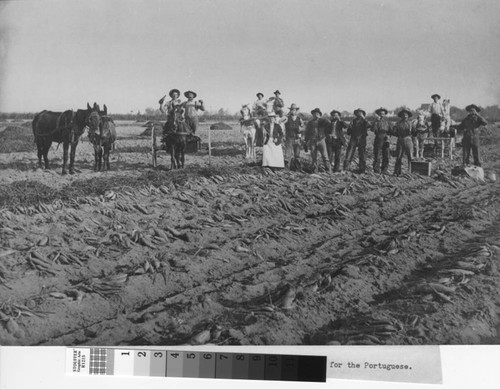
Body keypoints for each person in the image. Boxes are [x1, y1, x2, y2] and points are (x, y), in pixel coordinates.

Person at [343, 108, 370, 174]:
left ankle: (362, 170)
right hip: (353, 139)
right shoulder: (353, 121)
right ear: (356, 114)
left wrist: (364, 118)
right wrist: (349, 127)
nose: (359, 114)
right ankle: (346, 169)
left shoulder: (365, 121)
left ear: (363, 114)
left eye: (361, 112)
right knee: (349, 153)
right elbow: (348, 132)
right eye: (358, 112)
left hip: (362, 139)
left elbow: (369, 126)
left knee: (362, 154)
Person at [305, 108, 331, 173]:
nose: (316, 115)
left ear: (319, 115)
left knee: (325, 155)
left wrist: (320, 118)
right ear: (312, 115)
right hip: (313, 141)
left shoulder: (322, 121)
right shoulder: (310, 123)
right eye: (314, 114)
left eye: (317, 113)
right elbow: (307, 132)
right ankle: (314, 170)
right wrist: (306, 140)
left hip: (321, 140)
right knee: (314, 156)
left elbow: (329, 122)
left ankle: (328, 170)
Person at [392, 109, 414, 176]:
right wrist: (394, 131)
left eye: (406, 115)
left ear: (408, 116)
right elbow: (394, 133)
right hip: (400, 139)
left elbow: (414, 133)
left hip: (408, 139)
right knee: (399, 156)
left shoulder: (411, 123)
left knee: (410, 156)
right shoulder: (398, 124)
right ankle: (397, 172)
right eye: (403, 115)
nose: (405, 116)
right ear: (401, 116)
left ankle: (411, 172)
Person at [371, 108, 392, 174]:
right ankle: (376, 170)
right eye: (380, 114)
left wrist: (389, 136)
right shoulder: (376, 122)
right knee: (377, 155)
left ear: (385, 114)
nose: (382, 115)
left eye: (383, 114)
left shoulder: (387, 122)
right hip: (378, 138)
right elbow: (372, 129)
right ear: (378, 114)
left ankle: (384, 170)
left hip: (386, 139)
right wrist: (375, 122)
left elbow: (391, 131)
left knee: (386, 155)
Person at [284, 103, 304, 168]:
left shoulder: (299, 119)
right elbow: (281, 124)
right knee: (287, 154)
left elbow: (303, 127)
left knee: (297, 153)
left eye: (294, 110)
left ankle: (297, 168)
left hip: (297, 138)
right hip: (289, 137)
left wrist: (301, 130)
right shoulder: (287, 118)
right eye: (292, 110)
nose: (293, 111)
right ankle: (287, 168)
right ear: (290, 110)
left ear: (296, 111)